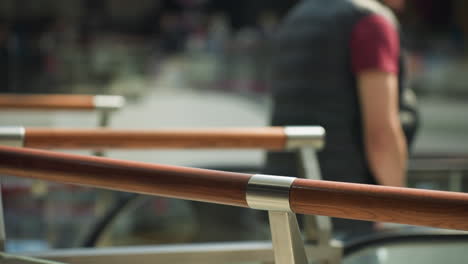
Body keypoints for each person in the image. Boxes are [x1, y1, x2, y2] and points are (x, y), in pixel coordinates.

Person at [264, 0, 419, 239]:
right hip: (347, 210)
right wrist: (396, 212)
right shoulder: (371, 22)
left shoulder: (298, 15)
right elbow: (381, 136)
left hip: (283, 204)